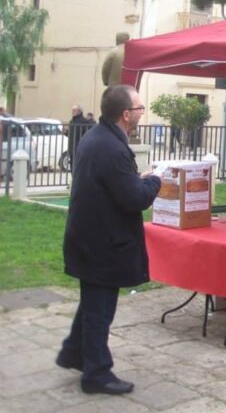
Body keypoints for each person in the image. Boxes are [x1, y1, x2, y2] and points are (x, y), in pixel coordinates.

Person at [56, 85, 161, 395]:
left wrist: (135, 181)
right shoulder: (112, 148)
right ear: (126, 114)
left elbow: (114, 185)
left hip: (90, 237)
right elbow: (135, 199)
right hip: (101, 243)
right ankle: (96, 374)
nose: (142, 113)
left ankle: (74, 352)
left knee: (93, 303)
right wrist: (154, 181)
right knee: (99, 310)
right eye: (140, 108)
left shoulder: (98, 138)